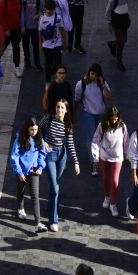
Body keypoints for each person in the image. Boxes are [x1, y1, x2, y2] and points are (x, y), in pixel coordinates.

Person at [41, 96, 80, 229]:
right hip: (50, 155)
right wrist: (43, 142)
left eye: (62, 107)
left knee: (55, 186)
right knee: (55, 186)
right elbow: (37, 131)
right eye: (58, 107)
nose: (59, 109)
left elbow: (70, 144)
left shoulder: (67, 125)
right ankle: (53, 219)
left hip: (61, 156)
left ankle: (50, 206)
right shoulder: (48, 119)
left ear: (66, 111)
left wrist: (76, 162)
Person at [10, 115, 47, 229]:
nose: (34, 132)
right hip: (21, 171)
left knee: (35, 196)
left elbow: (42, 154)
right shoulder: (20, 138)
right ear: (27, 128)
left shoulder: (39, 138)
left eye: (36, 129)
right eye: (32, 129)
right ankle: (20, 208)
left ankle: (38, 222)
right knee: (21, 190)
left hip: (34, 171)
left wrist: (40, 167)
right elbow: (14, 156)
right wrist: (19, 172)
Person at [93, 103, 127, 212]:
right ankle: (107, 197)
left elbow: (126, 142)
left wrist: (127, 155)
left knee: (114, 180)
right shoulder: (102, 125)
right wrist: (95, 157)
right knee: (106, 179)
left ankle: (113, 203)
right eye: (112, 118)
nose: (114, 120)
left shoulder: (122, 126)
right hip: (104, 157)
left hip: (117, 158)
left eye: (116, 118)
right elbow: (95, 140)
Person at [0, 0, 22, 76]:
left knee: (16, 48)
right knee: (2, 48)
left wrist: (20, 26)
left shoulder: (18, 1)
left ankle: (17, 67)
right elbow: (0, 17)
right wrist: (6, 29)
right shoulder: (3, 1)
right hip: (6, 30)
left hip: (16, 29)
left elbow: (20, 15)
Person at [105, 0, 130, 69]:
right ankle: (119, 61)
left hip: (124, 22)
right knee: (121, 42)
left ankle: (112, 44)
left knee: (124, 39)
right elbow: (107, 12)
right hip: (117, 24)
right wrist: (110, 24)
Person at [20, 0, 42, 72]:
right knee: (25, 45)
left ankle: (37, 63)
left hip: (34, 27)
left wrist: (37, 16)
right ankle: (27, 61)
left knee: (35, 45)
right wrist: (22, 26)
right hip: (25, 27)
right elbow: (21, 13)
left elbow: (41, 10)